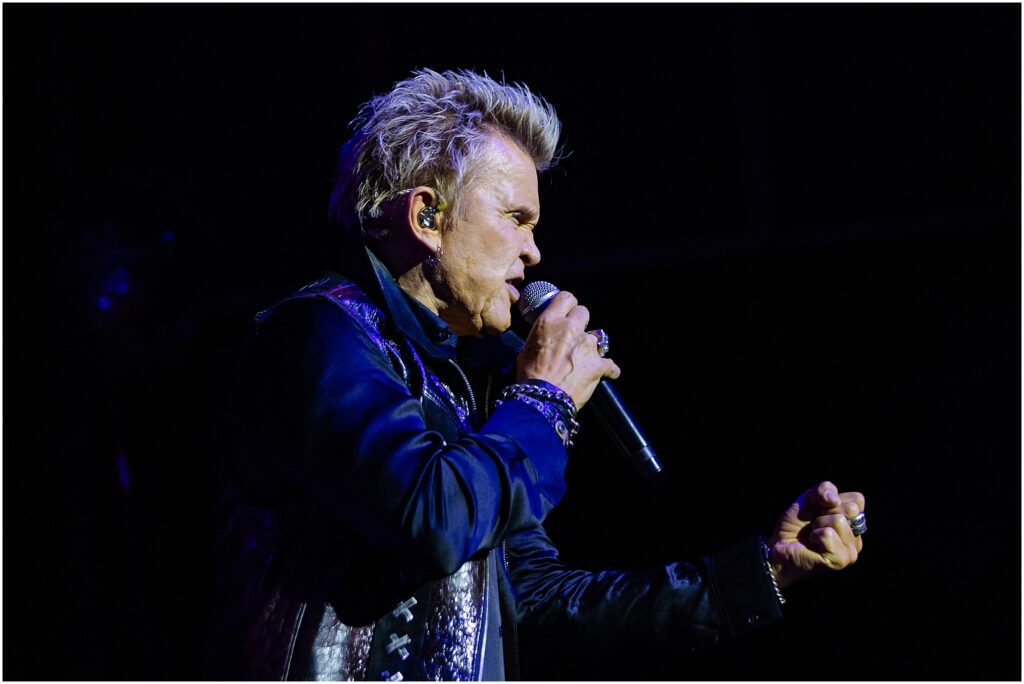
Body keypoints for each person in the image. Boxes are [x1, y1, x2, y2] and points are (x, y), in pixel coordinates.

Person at [207, 68, 867, 681]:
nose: (534, 251)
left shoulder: (460, 392)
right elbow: (429, 515)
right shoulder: (315, 336)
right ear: (427, 218)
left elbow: (547, 607)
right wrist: (544, 397)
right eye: (515, 218)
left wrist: (766, 574)